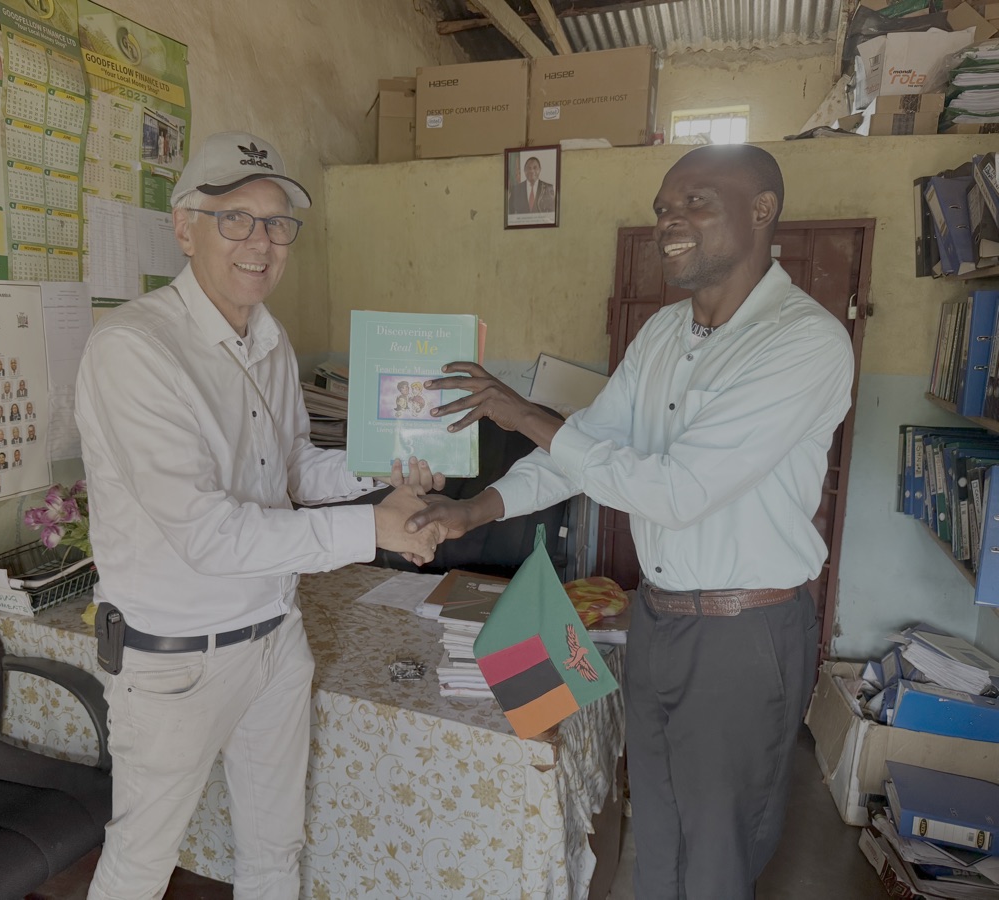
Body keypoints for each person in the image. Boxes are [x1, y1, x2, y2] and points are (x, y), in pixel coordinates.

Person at [407, 144, 855, 900]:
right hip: (660, 617)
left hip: (744, 635)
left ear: (762, 211)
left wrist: (525, 413)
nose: (671, 221)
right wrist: (474, 509)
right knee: (658, 825)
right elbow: (588, 451)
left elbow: (677, 491)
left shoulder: (802, 341)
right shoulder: (662, 335)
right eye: (663, 209)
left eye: (696, 202)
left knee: (717, 848)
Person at [75, 130, 444, 900]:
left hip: (275, 638)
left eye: (278, 224)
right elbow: (209, 532)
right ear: (185, 227)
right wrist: (370, 528)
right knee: (143, 859)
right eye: (236, 219)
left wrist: (382, 463)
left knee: (275, 849)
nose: (262, 242)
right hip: (176, 661)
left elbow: (292, 470)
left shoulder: (269, 342)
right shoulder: (133, 349)